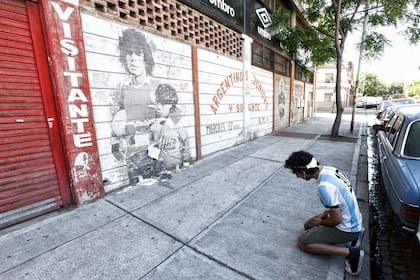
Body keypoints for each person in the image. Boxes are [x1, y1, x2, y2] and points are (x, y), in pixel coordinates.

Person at [284, 150, 364, 276]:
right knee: (308, 225)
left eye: (297, 172)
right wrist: (322, 217)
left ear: (304, 171)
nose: (297, 176)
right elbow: (336, 203)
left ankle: (351, 253)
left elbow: (337, 219)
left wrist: (321, 222)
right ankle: (356, 235)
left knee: (302, 242)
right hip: (353, 218)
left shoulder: (324, 186)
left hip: (347, 228)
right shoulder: (328, 170)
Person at [111, 28, 160, 184]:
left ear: (146, 58)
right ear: (124, 57)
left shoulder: (156, 86)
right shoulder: (120, 87)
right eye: (129, 54)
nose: (133, 59)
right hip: (131, 150)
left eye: (138, 54)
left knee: (155, 183)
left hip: (152, 147)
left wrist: (161, 126)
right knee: (136, 185)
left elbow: (175, 111)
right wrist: (114, 143)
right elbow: (115, 117)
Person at [149, 84, 190, 171]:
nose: (158, 107)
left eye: (163, 104)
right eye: (157, 102)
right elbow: (153, 144)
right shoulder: (155, 123)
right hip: (161, 168)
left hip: (177, 168)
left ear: (172, 105)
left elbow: (185, 144)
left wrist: (186, 163)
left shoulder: (178, 124)